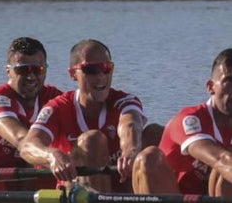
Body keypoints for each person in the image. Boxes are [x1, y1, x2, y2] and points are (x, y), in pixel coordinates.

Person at [19, 39, 161, 192]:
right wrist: (52, 155)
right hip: (77, 194)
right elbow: (28, 146)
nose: (100, 76)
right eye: (91, 70)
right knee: (92, 140)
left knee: (155, 134)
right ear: (73, 74)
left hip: (121, 189)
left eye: (106, 68)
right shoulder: (58, 107)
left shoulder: (125, 101)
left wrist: (130, 151)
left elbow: (130, 124)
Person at [131, 49, 232, 203]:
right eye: (229, 81)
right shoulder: (189, 119)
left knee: (222, 176)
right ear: (210, 87)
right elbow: (220, 159)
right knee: (148, 158)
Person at [0, 37, 62, 191]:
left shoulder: (53, 97)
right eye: (23, 69)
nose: (31, 76)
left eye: (38, 69)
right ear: (8, 71)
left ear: (46, 69)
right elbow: (22, 140)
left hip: (26, 180)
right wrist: (53, 156)